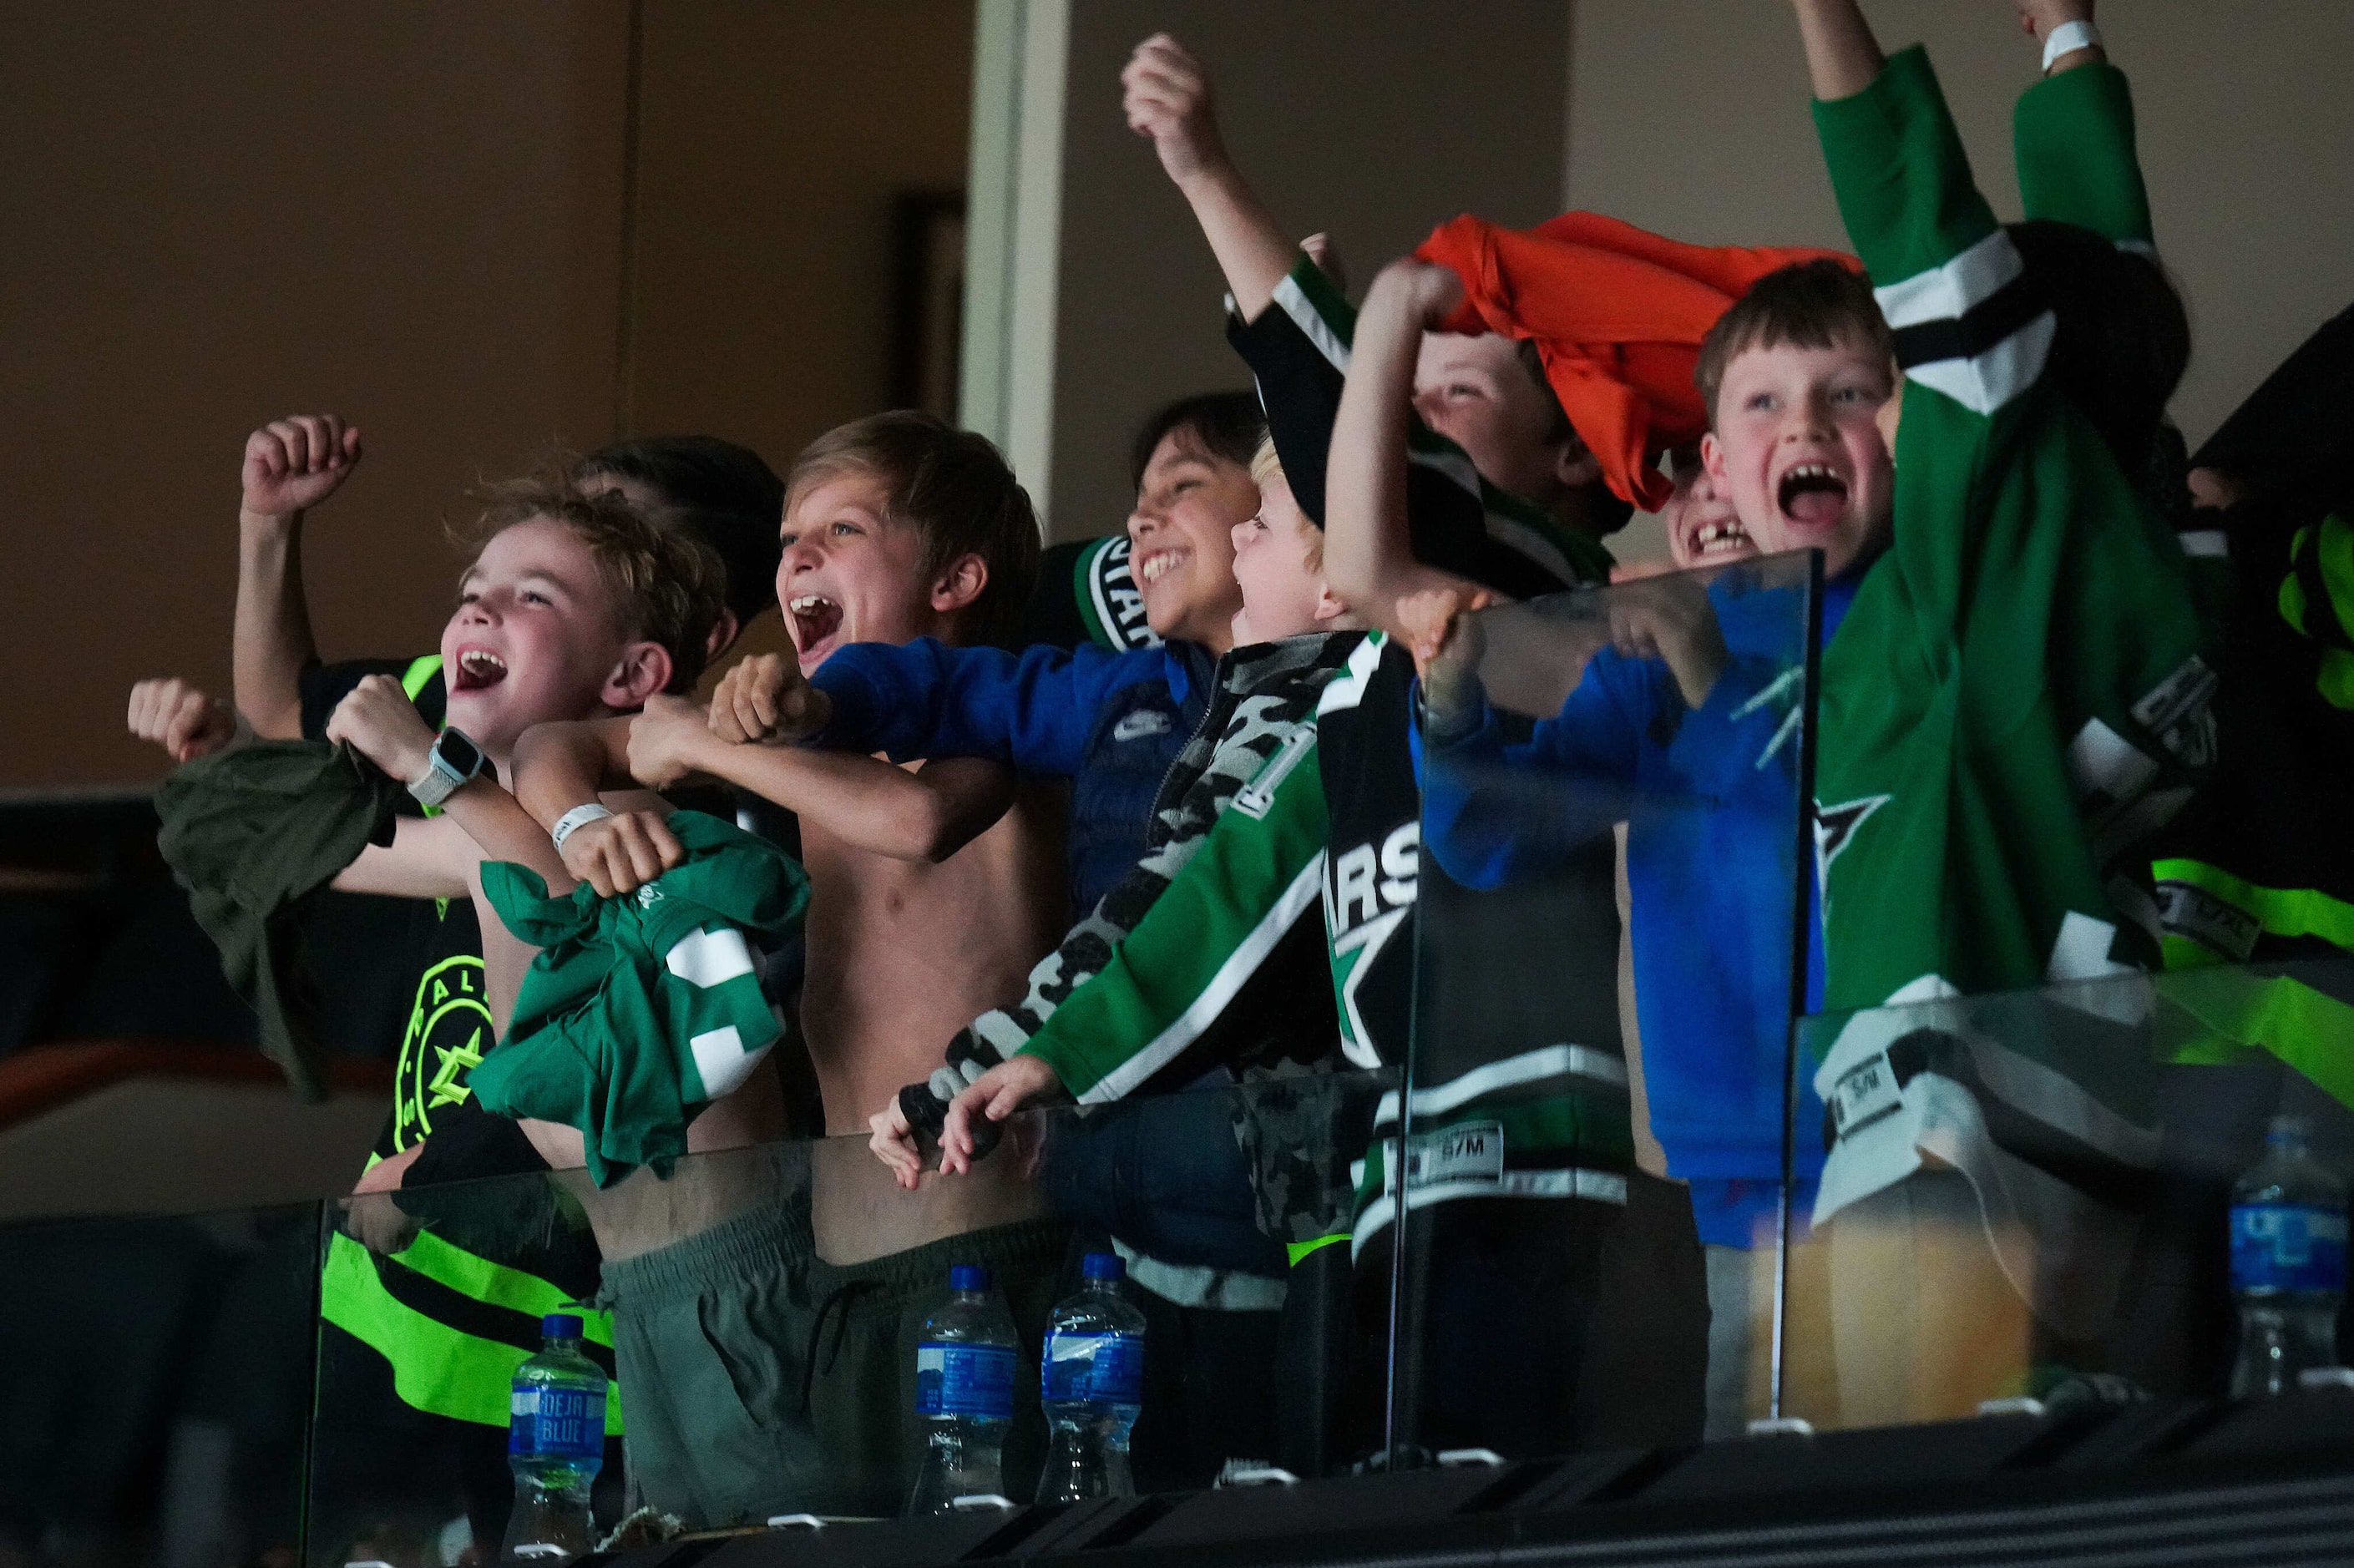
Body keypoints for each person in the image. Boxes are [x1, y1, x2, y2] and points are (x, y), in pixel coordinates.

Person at [509, 410, 1067, 1520]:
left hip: (983, 1257)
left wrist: (715, 746)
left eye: (842, 528)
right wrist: (579, 823)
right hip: (840, 1269)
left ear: (956, 578)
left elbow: (915, 819)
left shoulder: (1001, 705)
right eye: (788, 534)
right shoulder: (805, 731)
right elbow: (544, 745)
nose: (797, 556)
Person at [1786, 0, 2212, 1423]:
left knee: (1911, 1510)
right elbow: (2110, 278)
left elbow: (1915, 206)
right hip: (2073, 1093)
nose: (1893, 405)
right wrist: (2064, 43)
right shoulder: (2106, 524)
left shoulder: (1998, 523)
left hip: (1946, 1118)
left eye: (1896, 376)